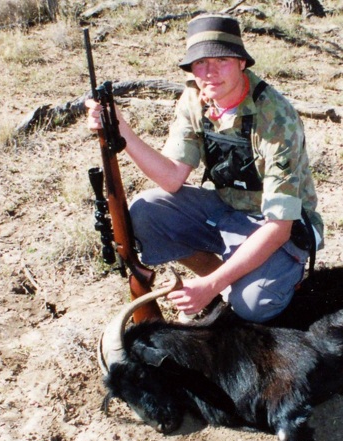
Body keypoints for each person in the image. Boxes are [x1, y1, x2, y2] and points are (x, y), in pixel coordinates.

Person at [86, 13, 323, 323]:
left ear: (241, 62)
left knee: (254, 306)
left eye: (221, 60)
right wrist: (122, 132)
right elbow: (171, 179)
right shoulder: (194, 99)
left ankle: (264, 280)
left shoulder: (276, 118)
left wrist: (210, 286)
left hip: (281, 226)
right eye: (200, 63)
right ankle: (226, 286)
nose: (209, 72)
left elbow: (279, 227)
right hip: (226, 210)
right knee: (146, 212)